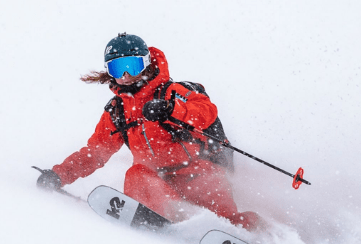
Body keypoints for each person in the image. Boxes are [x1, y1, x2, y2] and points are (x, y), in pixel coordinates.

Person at [36, 33, 263, 231]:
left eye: (131, 66)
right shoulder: (117, 112)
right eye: (117, 68)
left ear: (145, 63)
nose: (124, 75)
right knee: (136, 174)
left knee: (225, 219)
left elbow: (206, 112)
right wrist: (60, 175)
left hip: (199, 172)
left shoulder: (172, 92)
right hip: (160, 181)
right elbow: (95, 152)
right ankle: (155, 223)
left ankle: (260, 239)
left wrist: (172, 109)